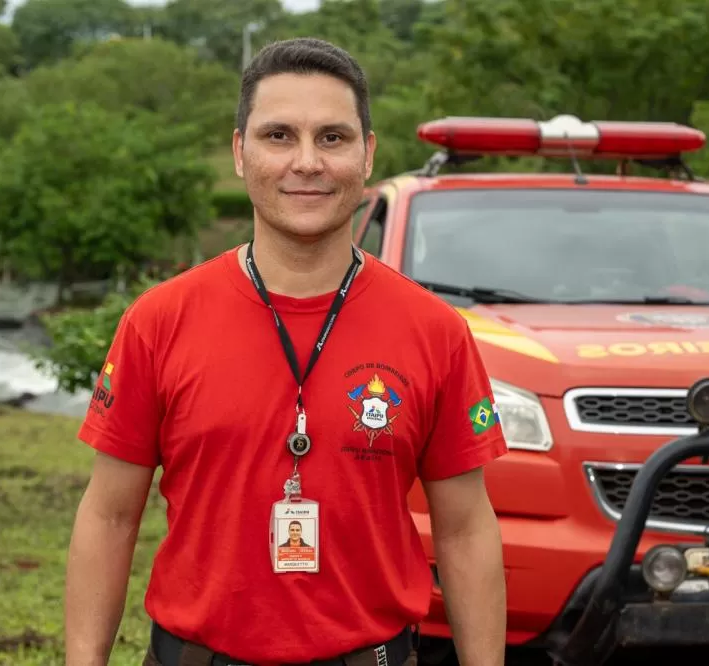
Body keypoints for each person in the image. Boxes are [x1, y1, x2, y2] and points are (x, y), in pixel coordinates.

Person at [63, 37, 508, 666]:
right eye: (278, 136)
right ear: (239, 152)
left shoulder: (435, 330)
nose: (307, 162)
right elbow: (109, 517)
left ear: (367, 153)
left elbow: (465, 528)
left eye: (332, 137)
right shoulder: (158, 321)